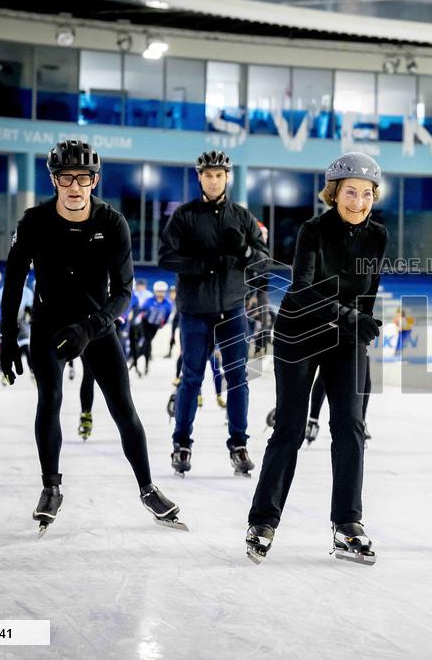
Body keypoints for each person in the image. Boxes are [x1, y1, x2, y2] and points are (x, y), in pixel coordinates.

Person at [0, 140, 185, 535]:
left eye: (82, 177)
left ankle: (148, 488)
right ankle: (51, 487)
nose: (74, 185)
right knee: (49, 400)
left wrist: (90, 328)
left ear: (94, 180)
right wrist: (4, 337)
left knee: (123, 407)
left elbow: (123, 292)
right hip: (49, 324)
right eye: (65, 177)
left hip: (96, 326)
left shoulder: (112, 223)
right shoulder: (33, 222)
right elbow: (14, 282)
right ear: (53, 180)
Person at [246, 152, 387, 565]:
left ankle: (348, 524)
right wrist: (349, 316)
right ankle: (263, 520)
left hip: (344, 339)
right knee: (290, 427)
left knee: (351, 427)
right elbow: (302, 289)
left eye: (366, 194)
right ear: (334, 193)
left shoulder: (378, 235)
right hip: (299, 333)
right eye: (350, 193)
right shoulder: (314, 230)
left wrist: (360, 333)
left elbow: (368, 290)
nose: (358, 202)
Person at [158, 150, 268, 477]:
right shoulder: (185, 216)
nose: (214, 180)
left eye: (219, 175)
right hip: (195, 309)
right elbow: (166, 256)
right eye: (208, 175)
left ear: (227, 177)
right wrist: (202, 265)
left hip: (233, 309)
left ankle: (238, 444)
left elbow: (262, 262)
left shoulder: (242, 217)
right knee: (192, 377)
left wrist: (246, 251)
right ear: (199, 177)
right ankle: (182, 443)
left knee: (237, 378)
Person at [135, 280, 173, 375]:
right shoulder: (150, 300)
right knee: (147, 343)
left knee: (147, 344)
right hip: (145, 324)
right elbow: (141, 310)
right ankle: (146, 365)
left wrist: (161, 325)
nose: (160, 293)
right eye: (159, 291)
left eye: (162, 291)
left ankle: (135, 359)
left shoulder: (167, 304)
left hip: (155, 326)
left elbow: (167, 316)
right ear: (155, 291)